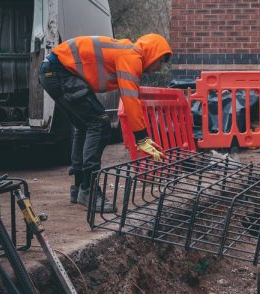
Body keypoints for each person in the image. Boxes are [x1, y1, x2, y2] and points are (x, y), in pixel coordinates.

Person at [38, 34, 170, 212]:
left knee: (85, 125)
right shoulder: (132, 57)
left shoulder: (127, 52)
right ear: (153, 53)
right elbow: (130, 99)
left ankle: (79, 187)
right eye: (160, 62)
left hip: (53, 71)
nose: (158, 68)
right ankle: (89, 189)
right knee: (99, 124)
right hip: (59, 72)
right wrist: (142, 138)